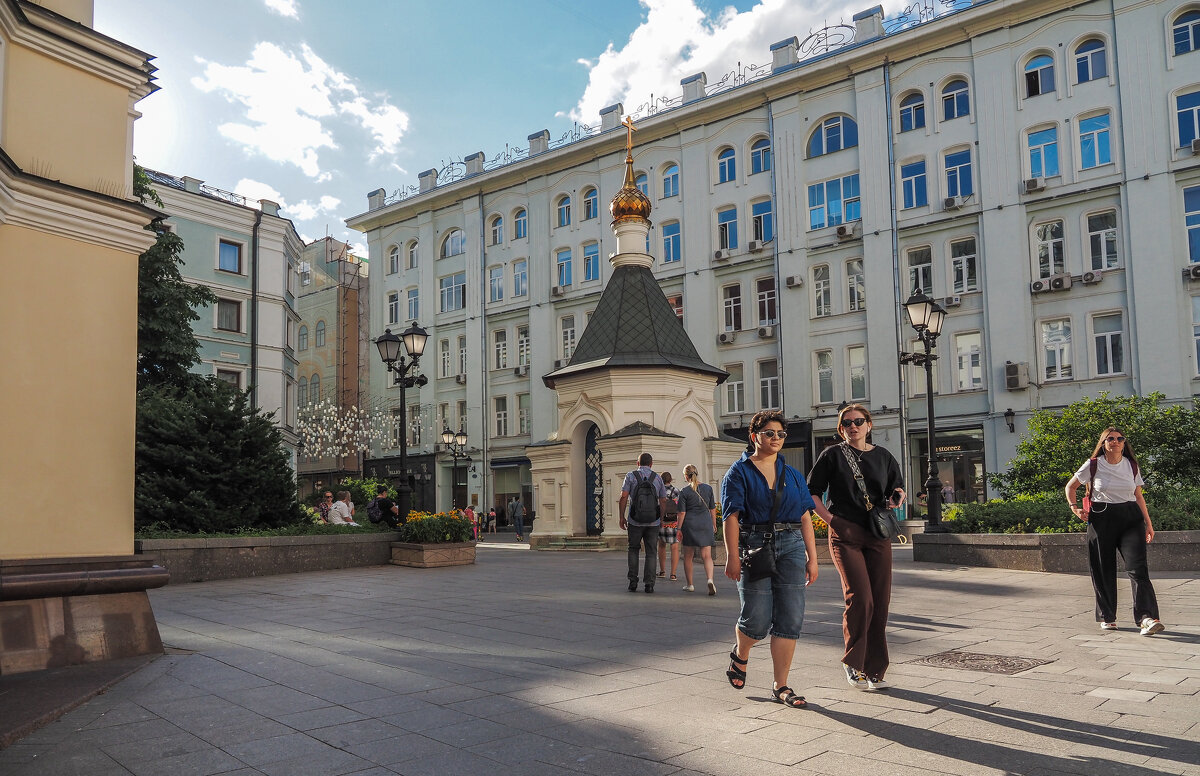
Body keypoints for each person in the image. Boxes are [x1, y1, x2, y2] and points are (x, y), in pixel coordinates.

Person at [721, 410, 819, 709]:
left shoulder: (792, 474)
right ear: (755, 436)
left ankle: (781, 686)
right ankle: (742, 652)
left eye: (780, 434)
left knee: (790, 618)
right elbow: (731, 516)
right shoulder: (738, 472)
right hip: (755, 545)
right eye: (769, 433)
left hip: (791, 545)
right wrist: (731, 557)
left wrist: (812, 558)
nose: (776, 439)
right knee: (757, 619)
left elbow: (805, 516)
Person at [807, 404, 904, 692]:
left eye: (858, 421)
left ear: (869, 425)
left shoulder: (884, 456)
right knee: (860, 598)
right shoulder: (832, 455)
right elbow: (811, 493)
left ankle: (875, 668)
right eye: (847, 423)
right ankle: (854, 663)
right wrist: (832, 520)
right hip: (845, 533)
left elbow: (897, 488)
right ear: (841, 429)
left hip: (877, 532)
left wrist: (897, 497)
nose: (853, 426)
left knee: (881, 601)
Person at [1065, 428, 1165, 635]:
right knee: (1103, 569)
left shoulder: (1131, 465)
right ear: (1103, 443)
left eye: (1120, 438)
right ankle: (1107, 616)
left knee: (1138, 569)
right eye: (1110, 439)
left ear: (1124, 443)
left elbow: (1138, 495)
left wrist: (1148, 523)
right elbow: (1070, 487)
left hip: (1131, 518)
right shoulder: (1093, 464)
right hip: (1102, 518)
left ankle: (1146, 618)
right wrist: (1075, 508)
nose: (1116, 441)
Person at [619, 453, 668, 593]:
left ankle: (633, 582)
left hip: (635, 520)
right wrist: (662, 518)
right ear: (651, 464)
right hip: (653, 522)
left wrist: (622, 517)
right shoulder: (657, 477)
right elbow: (663, 500)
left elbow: (623, 497)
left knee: (633, 549)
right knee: (651, 552)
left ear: (637, 463)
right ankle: (649, 584)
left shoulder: (630, 476)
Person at [678, 463, 717, 595]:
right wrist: (714, 524)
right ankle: (710, 580)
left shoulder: (684, 491)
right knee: (707, 556)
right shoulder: (708, 488)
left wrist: (678, 529)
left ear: (686, 476)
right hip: (705, 523)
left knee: (688, 556)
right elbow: (712, 508)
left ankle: (690, 584)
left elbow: (682, 513)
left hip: (690, 524)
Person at [657, 471, 682, 582]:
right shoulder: (676, 491)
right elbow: (681, 507)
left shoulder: (658, 491)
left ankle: (662, 571)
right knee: (674, 547)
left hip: (662, 522)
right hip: (674, 522)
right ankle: (673, 574)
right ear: (670, 480)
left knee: (661, 545)